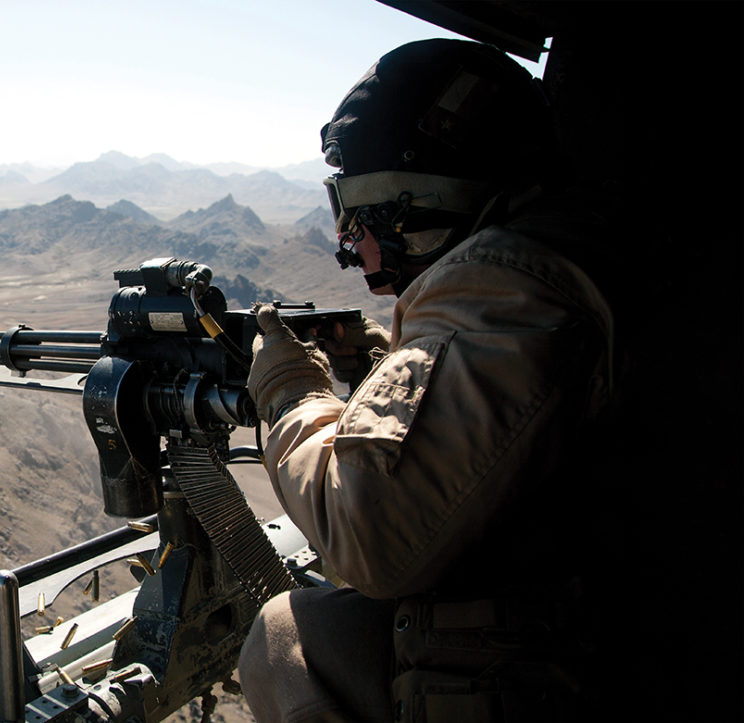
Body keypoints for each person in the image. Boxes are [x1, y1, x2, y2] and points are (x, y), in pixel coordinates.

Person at [238, 39, 617, 722]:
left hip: (566, 668)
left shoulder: (513, 287)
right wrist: (390, 362)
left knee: (279, 635)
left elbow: (365, 530)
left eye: (369, 218)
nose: (353, 250)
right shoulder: (575, 245)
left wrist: (292, 391)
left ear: (443, 195)